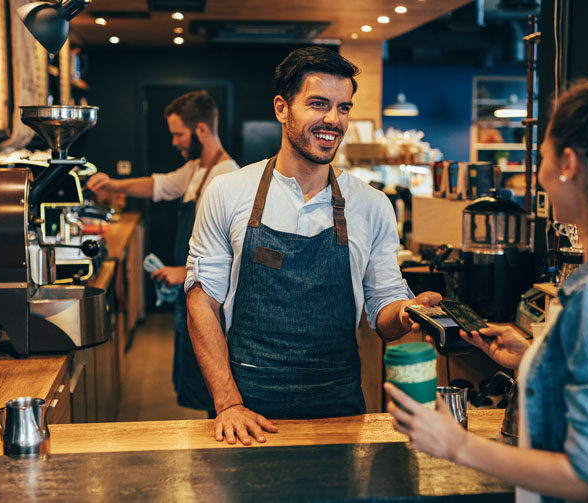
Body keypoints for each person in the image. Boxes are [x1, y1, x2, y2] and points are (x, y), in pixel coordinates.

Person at [385, 79, 588, 502]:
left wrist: (456, 444)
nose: (538, 174)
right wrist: (534, 357)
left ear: (568, 164)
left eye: (541, 158)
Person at [185, 46, 441, 445]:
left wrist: (407, 312)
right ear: (282, 108)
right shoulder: (229, 192)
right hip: (245, 406)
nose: (333, 120)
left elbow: (384, 308)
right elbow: (203, 301)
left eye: (343, 108)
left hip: (338, 407)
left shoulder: (372, 205)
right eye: (318, 104)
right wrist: (228, 402)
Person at [87, 90, 239, 412]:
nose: (174, 142)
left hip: (210, 299)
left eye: (178, 134)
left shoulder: (226, 177)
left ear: (200, 130)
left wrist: (184, 272)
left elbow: (233, 255)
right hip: (192, 294)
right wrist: (113, 185)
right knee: (198, 382)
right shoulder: (198, 168)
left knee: (213, 387)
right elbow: (159, 185)